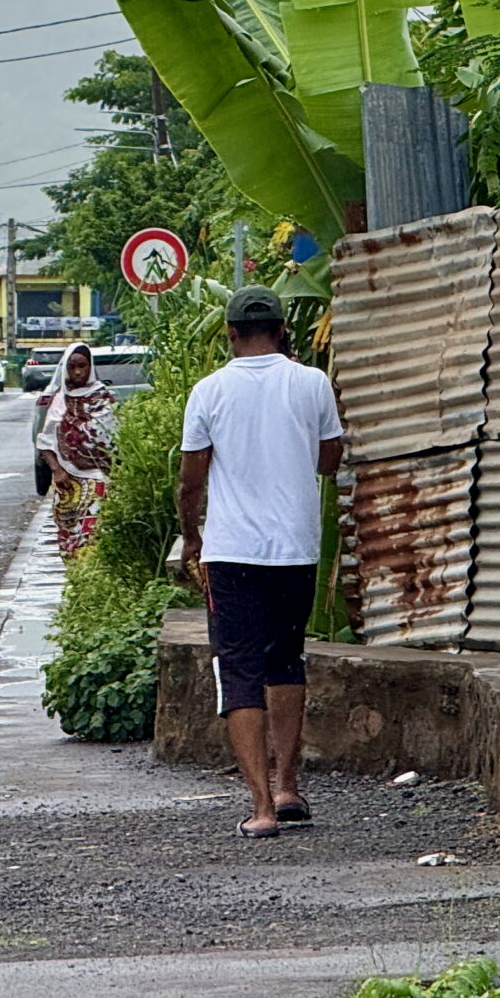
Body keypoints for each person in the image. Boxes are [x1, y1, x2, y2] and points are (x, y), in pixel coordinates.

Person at [178, 287, 342, 839]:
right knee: (286, 661)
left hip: (231, 553)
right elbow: (329, 460)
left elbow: (191, 479)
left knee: (239, 670)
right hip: (294, 548)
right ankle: (289, 784)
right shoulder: (312, 383)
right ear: (282, 328)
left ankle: (261, 807)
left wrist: (190, 535)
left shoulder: (209, 391)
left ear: (229, 334)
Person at [35, 342, 117, 557]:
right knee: (68, 535)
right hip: (67, 483)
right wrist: (57, 470)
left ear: (90, 367)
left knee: (91, 533)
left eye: (83, 366)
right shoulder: (60, 401)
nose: (78, 372)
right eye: (72, 367)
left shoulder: (102, 399)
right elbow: (45, 442)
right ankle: (75, 577)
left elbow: (111, 438)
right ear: (65, 369)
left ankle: (91, 576)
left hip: (98, 477)